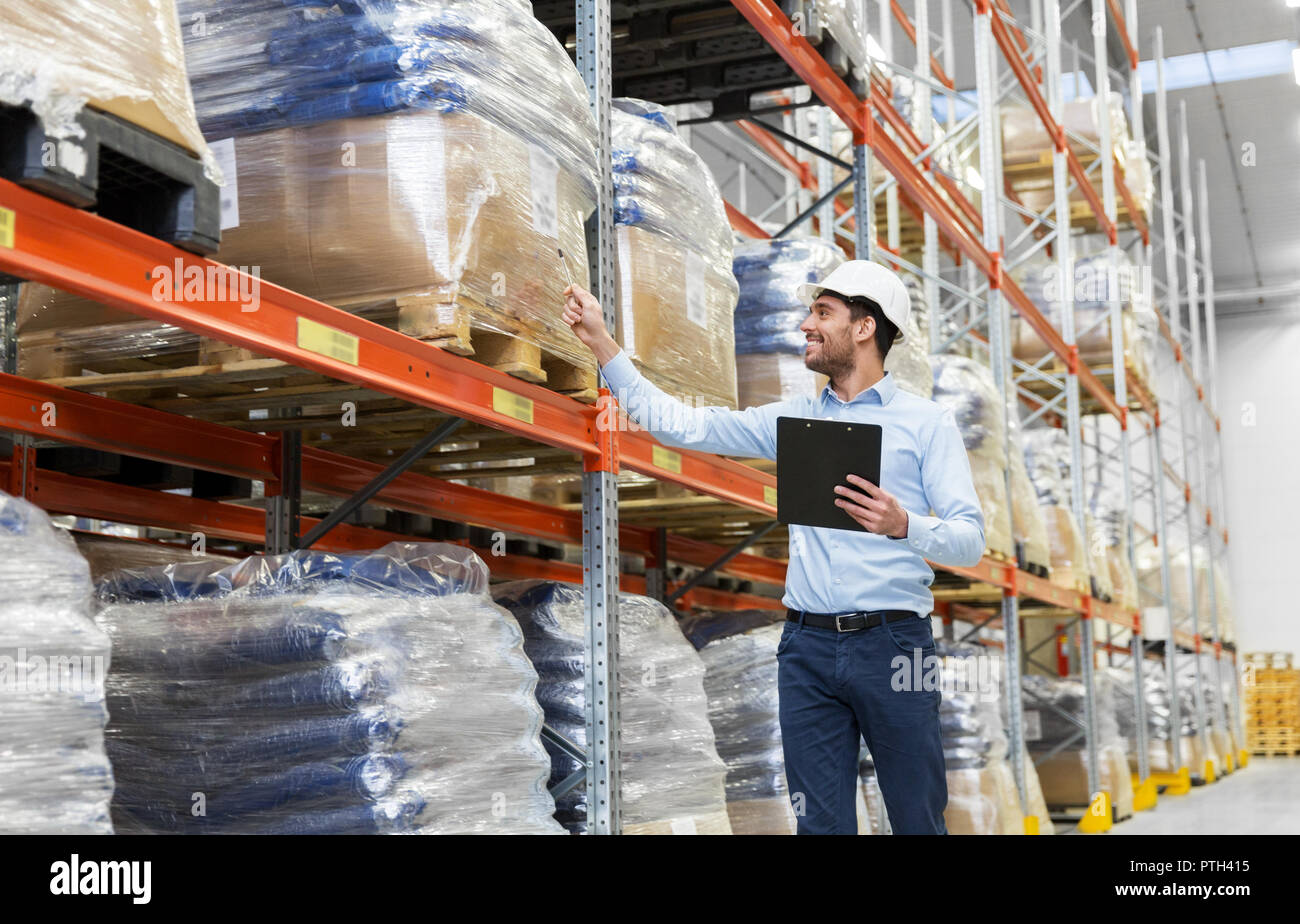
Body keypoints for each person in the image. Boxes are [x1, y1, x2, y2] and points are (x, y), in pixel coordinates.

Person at [561, 260, 984, 835]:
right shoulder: (796, 420)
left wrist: (903, 523)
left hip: (894, 645)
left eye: (823, 313)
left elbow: (971, 540)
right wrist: (603, 343)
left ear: (864, 327)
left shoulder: (926, 423)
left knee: (916, 817)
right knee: (819, 825)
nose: (806, 324)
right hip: (806, 647)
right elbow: (681, 426)